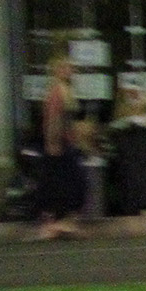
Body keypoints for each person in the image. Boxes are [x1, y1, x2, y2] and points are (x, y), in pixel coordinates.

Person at [34, 52, 84, 238]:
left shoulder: (64, 89)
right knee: (72, 182)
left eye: (70, 67)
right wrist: (52, 142)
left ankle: (58, 221)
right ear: (57, 70)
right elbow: (54, 119)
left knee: (59, 182)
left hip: (66, 141)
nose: (70, 70)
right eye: (66, 67)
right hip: (60, 143)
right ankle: (58, 222)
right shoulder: (57, 91)